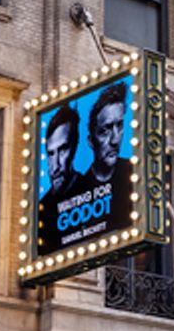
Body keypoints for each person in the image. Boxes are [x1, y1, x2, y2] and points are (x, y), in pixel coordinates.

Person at [70, 81, 133, 198]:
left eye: (119, 126)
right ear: (91, 141)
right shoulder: (77, 190)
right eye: (105, 130)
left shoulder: (135, 173)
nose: (115, 140)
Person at [36, 105, 80, 251]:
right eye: (50, 154)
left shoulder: (91, 188)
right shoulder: (40, 209)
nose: (56, 165)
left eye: (62, 150)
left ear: (74, 148)